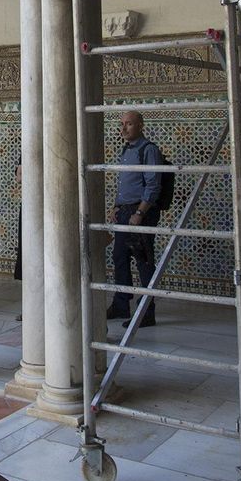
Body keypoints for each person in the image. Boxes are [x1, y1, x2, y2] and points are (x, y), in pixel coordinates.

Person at [106, 111, 162, 328]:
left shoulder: (149, 150)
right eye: (122, 124)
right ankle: (121, 303)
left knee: (143, 261)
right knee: (119, 256)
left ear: (140, 126)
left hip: (140, 213)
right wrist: (117, 207)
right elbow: (127, 183)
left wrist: (139, 212)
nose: (124, 128)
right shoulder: (127, 150)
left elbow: (153, 184)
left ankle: (147, 311)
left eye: (129, 124)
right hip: (125, 211)